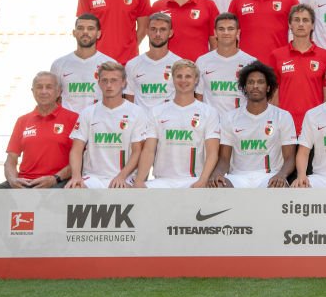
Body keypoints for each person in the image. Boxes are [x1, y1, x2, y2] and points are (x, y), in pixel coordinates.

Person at [209, 61, 296, 188]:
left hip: (269, 176)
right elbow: (224, 159)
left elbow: (290, 158)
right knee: (218, 185)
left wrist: (281, 175)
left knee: (278, 186)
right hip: (238, 177)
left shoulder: (283, 116)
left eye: (260, 82)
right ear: (244, 87)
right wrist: (217, 174)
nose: (255, 86)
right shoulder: (229, 117)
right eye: (250, 82)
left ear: (268, 87)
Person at [135, 60, 220, 188]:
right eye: (179, 76)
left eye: (188, 76)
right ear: (172, 79)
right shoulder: (157, 111)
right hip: (162, 182)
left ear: (196, 80)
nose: (183, 80)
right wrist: (139, 180)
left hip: (193, 181)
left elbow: (212, 152)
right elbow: (148, 150)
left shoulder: (209, 112)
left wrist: (203, 180)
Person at [66, 62, 148, 189]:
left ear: (123, 83)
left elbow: (138, 151)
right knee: (73, 189)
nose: (109, 85)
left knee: (120, 190)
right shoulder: (88, 112)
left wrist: (121, 176)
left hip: (124, 177)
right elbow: (76, 149)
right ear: (99, 83)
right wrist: (76, 176)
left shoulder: (136, 112)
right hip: (93, 177)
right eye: (104, 80)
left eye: (114, 80)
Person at [0, 72, 76, 189]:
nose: (43, 91)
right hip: (26, 182)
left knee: (50, 199)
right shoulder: (22, 120)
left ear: (58, 92)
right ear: (33, 91)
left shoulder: (73, 119)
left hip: (57, 181)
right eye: (39, 87)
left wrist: (55, 178)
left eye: (49, 87)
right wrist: (13, 180)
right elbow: (10, 160)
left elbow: (80, 159)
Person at [270, 4, 326, 135]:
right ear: (289, 24)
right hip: (285, 126)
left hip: (315, 127)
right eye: (296, 20)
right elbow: (274, 94)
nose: (301, 24)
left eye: (305, 20)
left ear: (312, 25)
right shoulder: (276, 55)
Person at [50, 13, 117, 113]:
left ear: (98, 33)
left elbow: (116, 100)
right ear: (74, 32)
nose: (85, 32)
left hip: (99, 124)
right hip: (69, 125)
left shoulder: (110, 64)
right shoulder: (59, 64)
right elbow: (53, 99)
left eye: (90, 28)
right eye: (80, 28)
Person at [195, 13, 256, 112]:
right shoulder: (202, 61)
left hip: (239, 124)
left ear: (238, 32)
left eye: (231, 29)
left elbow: (255, 99)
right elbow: (199, 97)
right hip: (212, 124)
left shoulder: (250, 62)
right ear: (215, 32)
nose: (226, 32)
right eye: (221, 29)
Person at [124, 12, 182, 109]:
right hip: (142, 123)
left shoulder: (179, 64)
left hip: (169, 123)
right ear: (147, 32)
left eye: (163, 29)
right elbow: (129, 102)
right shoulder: (132, 64)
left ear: (170, 33)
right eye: (153, 29)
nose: (157, 34)